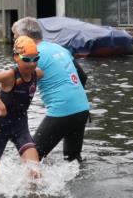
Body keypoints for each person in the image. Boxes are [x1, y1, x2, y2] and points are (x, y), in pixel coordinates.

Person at [8, 17, 90, 166]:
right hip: (82, 109)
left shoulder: (31, 56)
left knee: (31, 159)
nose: (14, 43)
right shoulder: (59, 48)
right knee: (72, 160)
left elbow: (14, 90)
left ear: (24, 38)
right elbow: (82, 77)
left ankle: (32, 189)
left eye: (15, 38)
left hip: (62, 110)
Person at [0, 36, 45, 189]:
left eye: (35, 58)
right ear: (16, 58)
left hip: (20, 127)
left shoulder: (37, 74)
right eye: (27, 59)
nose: (32, 64)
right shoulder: (10, 76)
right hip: (0, 128)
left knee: (35, 174)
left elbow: (11, 101)